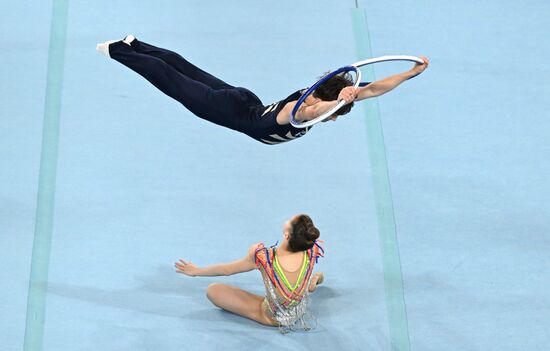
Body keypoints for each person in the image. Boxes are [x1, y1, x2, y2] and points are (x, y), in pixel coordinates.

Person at [97, 36, 429, 145]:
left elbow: (375, 90)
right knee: (172, 80)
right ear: (324, 103)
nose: (332, 118)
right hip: (231, 111)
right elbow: (309, 113)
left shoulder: (319, 100)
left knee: (188, 70)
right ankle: (120, 50)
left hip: (246, 102)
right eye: (333, 113)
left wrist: (411, 72)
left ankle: (136, 43)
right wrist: (332, 105)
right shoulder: (303, 110)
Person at [174, 214, 325, 332]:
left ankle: (310, 283)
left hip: (272, 317)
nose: (287, 219)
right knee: (297, 286)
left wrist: (196, 271)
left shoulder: (264, 257)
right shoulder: (311, 250)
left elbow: (226, 270)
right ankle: (311, 283)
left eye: (289, 220)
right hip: (299, 310)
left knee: (213, 290)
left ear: (286, 235)